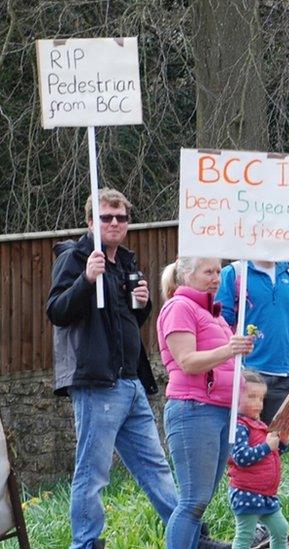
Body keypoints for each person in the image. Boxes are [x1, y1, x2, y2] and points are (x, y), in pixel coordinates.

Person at [46, 189, 178, 549]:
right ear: (91, 222)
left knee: (156, 467)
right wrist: (86, 280)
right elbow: (57, 312)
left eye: (121, 217)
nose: (115, 223)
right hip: (97, 384)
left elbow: (126, 322)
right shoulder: (74, 258)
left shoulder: (126, 263)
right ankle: (85, 544)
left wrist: (142, 306)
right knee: (92, 473)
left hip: (130, 381)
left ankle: (190, 537)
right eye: (107, 217)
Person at [158, 257, 253, 548]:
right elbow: (187, 361)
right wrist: (229, 349)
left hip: (218, 411)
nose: (216, 278)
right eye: (208, 272)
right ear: (187, 275)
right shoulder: (179, 307)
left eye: (218, 272)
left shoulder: (213, 313)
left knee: (200, 501)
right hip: (193, 410)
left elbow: (224, 364)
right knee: (192, 501)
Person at [216, 261, 289, 424]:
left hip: (283, 378)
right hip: (246, 377)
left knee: (277, 445)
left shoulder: (288, 274)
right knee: (246, 444)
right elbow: (221, 326)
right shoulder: (234, 273)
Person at [228, 371, 289, 549]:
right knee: (245, 536)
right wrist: (266, 447)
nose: (258, 404)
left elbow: (271, 454)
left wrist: (282, 443)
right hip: (246, 492)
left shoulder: (260, 425)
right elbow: (240, 457)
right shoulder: (239, 426)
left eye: (261, 398)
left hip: (265, 494)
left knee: (281, 529)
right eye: (252, 397)